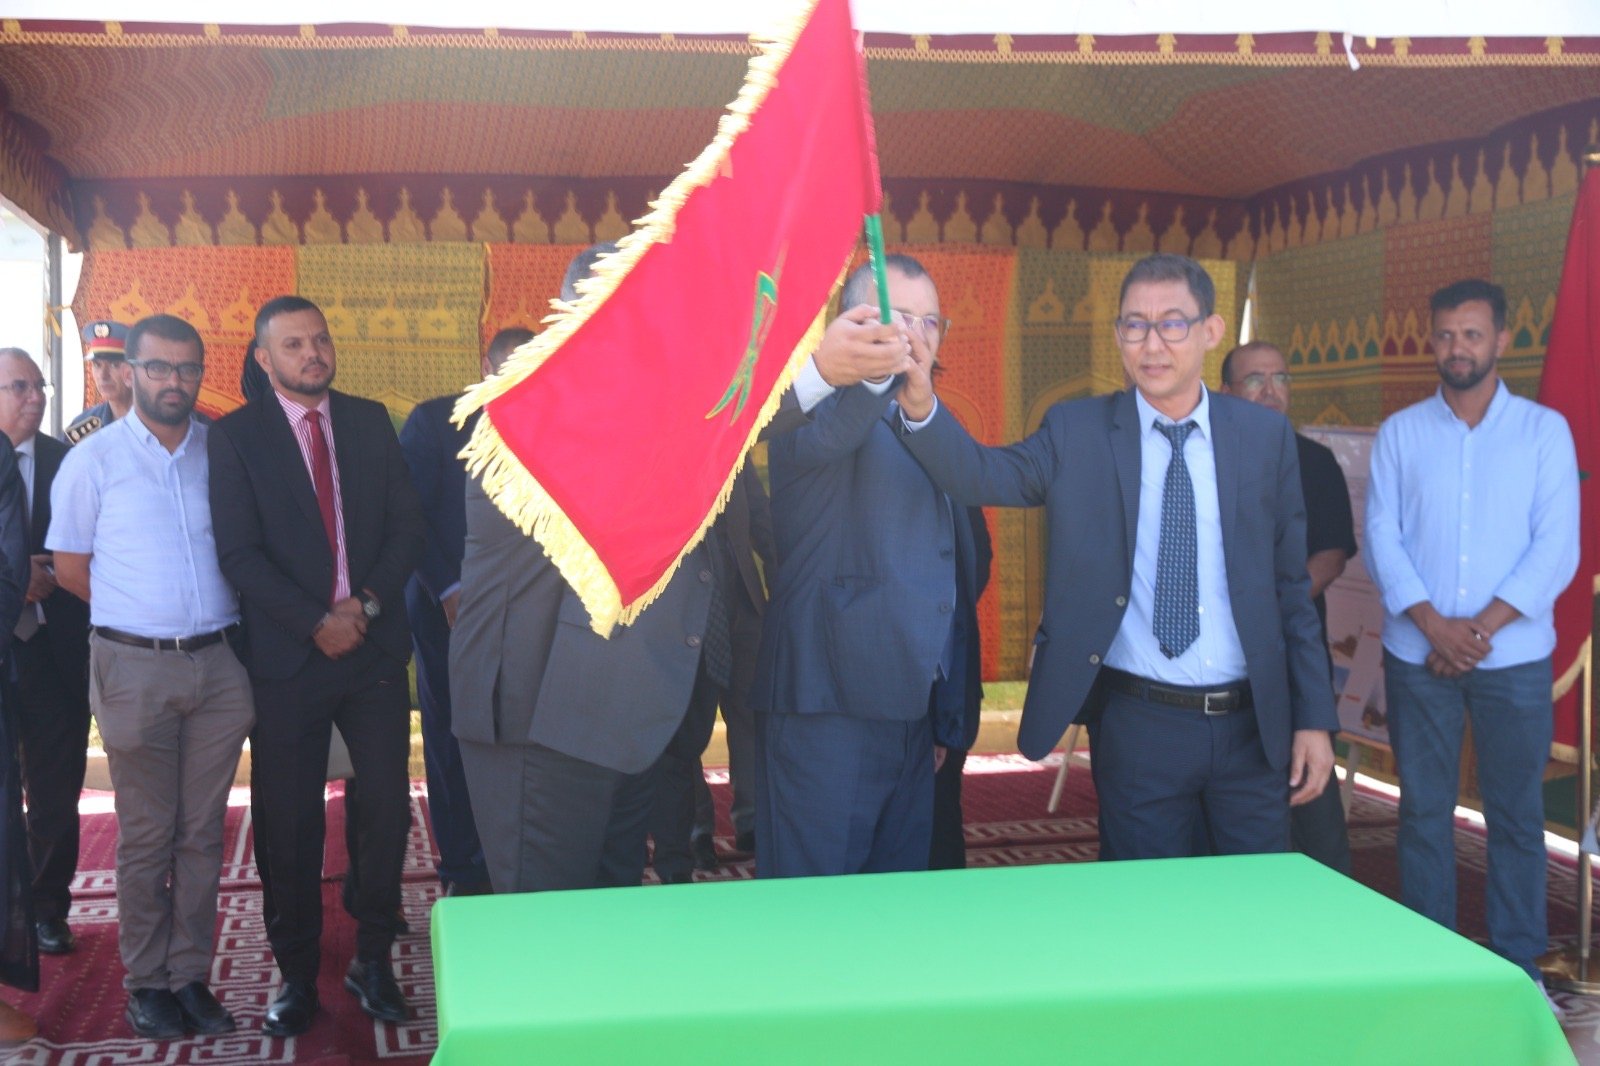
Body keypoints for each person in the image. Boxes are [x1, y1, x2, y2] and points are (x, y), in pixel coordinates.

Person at [451, 242, 917, 894]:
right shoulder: (531, 404)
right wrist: (815, 369)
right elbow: (672, 437)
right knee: (546, 927)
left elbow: (712, 431)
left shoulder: (663, 416)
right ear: (577, 318)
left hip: (621, 714)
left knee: (608, 913)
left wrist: (866, 375)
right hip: (541, 719)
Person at [897, 252, 1336, 861]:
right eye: (1135, 325)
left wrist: (1314, 718)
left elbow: (1290, 587)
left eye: (1172, 323)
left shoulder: (1262, 437)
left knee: (1250, 905)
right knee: (1143, 906)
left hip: (1250, 725)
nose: (1152, 344)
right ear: (1117, 335)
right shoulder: (1077, 431)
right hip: (1140, 723)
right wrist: (920, 403)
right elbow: (979, 474)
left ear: (1211, 330)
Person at [209, 296, 425, 1037]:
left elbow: (408, 527)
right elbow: (238, 554)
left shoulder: (367, 421)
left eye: (320, 340)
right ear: (264, 358)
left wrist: (362, 606)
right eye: (294, 344)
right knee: (290, 820)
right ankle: (297, 973)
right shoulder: (237, 437)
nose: (312, 353)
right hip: (288, 659)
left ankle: (373, 957)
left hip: (371, 650)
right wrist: (314, 622)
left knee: (387, 809)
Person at [1365, 279, 1578, 996]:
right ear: (1433, 341)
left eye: (1473, 334)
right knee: (1422, 810)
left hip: (1512, 659)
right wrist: (1433, 624)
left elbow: (1556, 548)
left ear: (1502, 340)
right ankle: (1431, 964)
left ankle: (1516, 965)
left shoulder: (1544, 432)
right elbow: (1382, 537)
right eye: (1447, 335)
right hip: (1417, 653)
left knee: (1515, 814)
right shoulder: (1401, 433)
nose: (1458, 348)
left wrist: (1478, 631)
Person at [48, 314, 254, 1039]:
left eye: (187, 368)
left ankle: (189, 975)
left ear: (201, 374)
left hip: (219, 667)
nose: (174, 381)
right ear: (131, 371)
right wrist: (139, 615)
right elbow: (69, 568)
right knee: (146, 833)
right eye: (159, 367)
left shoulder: (222, 452)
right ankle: (146, 983)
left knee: (201, 832)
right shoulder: (92, 460)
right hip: (133, 666)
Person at [751, 253, 983, 878]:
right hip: (827, 709)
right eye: (897, 318)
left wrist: (942, 709)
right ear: (849, 322)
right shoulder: (813, 410)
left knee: (892, 912)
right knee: (814, 914)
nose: (915, 335)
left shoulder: (934, 420)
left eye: (929, 322)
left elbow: (958, 569)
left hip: (912, 714)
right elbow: (831, 434)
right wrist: (873, 374)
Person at [397, 327, 533, 897]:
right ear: (485, 366)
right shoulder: (436, 422)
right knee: (456, 734)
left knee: (529, 740)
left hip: (534, 614)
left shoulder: (558, 420)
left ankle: (525, 858)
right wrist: (449, 589)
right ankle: (465, 868)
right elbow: (408, 514)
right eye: (508, 369)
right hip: (449, 610)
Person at [1220, 341, 1356, 875]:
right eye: (1255, 380)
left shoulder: (1315, 462)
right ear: (1226, 391)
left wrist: (1269, 608)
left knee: (1312, 810)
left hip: (1291, 654)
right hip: (1218, 670)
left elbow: (1332, 554)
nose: (1271, 391)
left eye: (1280, 378)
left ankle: (1325, 911)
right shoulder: (1203, 458)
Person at [0, 350, 93, 953]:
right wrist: (12, 577)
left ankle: (46, 908)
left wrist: (54, 572)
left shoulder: (73, 463)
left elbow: (102, 544)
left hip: (54, 651)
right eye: (19, 387)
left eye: (40, 386)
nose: (34, 397)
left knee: (56, 790)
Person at [648, 466, 772, 882]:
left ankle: (752, 820)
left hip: (743, 606)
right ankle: (696, 830)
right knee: (684, 727)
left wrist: (786, 581)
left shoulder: (733, 443)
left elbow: (761, 518)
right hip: (681, 612)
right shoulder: (656, 450)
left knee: (750, 714)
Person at [929, 505, 992, 871]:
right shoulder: (959, 482)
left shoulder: (954, 489)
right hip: (945, 694)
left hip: (939, 697)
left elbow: (974, 564)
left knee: (936, 828)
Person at [64, 320, 132, 445]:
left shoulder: (158, 424)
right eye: (97, 365)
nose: (103, 375)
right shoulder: (83, 427)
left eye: (114, 365)